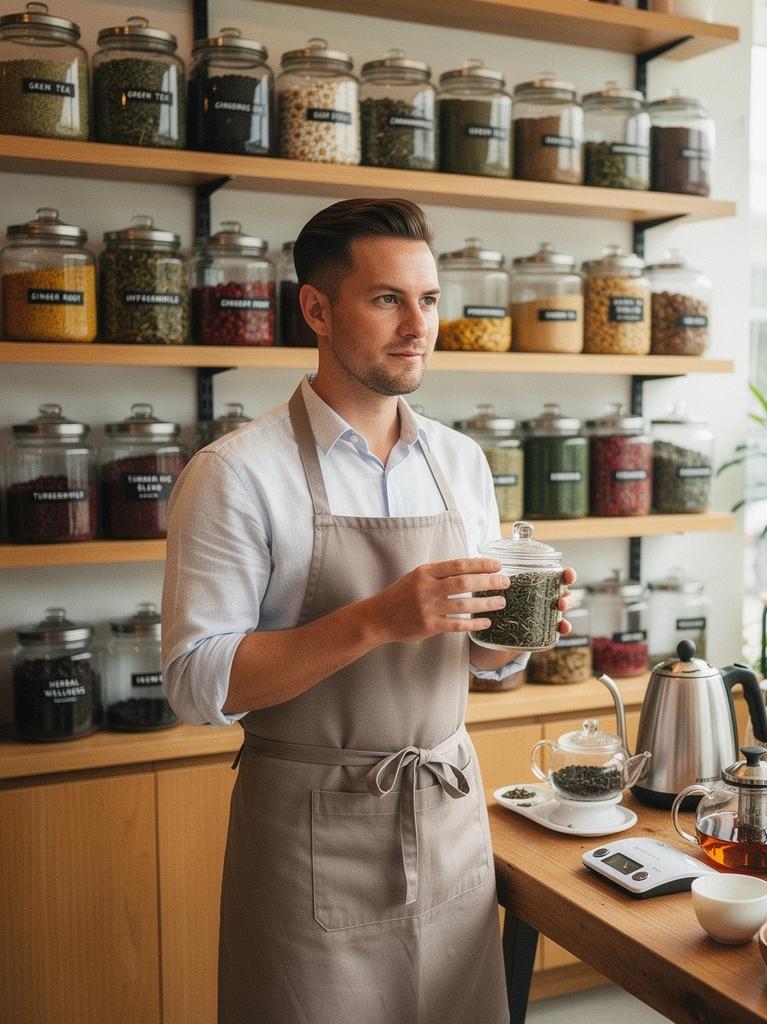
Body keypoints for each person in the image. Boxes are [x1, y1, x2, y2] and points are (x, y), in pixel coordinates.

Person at [161, 197, 577, 1024]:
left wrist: (512, 637)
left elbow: (481, 662)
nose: (416, 324)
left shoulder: (460, 462)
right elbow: (196, 682)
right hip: (308, 837)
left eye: (426, 299)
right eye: (387, 298)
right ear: (316, 308)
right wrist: (377, 617)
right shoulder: (236, 473)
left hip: (450, 814)